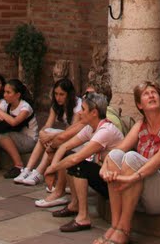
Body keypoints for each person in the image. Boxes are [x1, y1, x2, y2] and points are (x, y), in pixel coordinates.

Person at [98, 81, 160, 244]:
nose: (151, 95)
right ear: (139, 105)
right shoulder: (141, 125)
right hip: (141, 191)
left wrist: (133, 178)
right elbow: (119, 148)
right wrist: (105, 165)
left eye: (154, 93)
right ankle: (115, 225)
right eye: (146, 94)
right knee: (116, 155)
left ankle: (124, 230)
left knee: (132, 157)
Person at [39, 90, 124, 230]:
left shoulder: (105, 130)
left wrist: (51, 169)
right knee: (68, 158)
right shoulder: (91, 127)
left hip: (115, 184)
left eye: (83, 109)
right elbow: (65, 145)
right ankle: (75, 205)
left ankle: (83, 218)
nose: (79, 113)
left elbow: (77, 158)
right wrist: (53, 166)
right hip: (104, 176)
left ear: (94, 113)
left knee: (77, 164)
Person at [14, 77, 82, 184]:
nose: (58, 97)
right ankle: (28, 169)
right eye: (56, 94)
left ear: (69, 94)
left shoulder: (78, 106)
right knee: (46, 134)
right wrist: (42, 133)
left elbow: (72, 130)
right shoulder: (56, 105)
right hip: (65, 136)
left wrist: (50, 136)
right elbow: (47, 125)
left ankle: (39, 172)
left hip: (78, 138)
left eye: (61, 94)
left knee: (51, 136)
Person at [0, 77, 38, 176]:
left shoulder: (25, 107)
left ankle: (19, 166)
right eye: (4, 92)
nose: (4, 95)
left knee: (1, 135)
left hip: (28, 141)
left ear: (17, 95)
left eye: (8, 92)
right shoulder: (5, 103)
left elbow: (14, 122)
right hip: (14, 137)